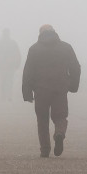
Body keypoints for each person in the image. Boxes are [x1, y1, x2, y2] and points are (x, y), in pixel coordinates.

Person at [22, 25, 81, 157]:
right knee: (60, 116)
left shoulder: (34, 49)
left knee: (42, 120)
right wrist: (72, 85)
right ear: (54, 32)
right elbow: (75, 67)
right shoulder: (66, 47)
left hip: (41, 89)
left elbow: (28, 72)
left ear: (40, 34)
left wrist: (27, 92)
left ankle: (45, 150)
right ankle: (59, 133)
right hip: (60, 88)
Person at [0, 28, 22, 101]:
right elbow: (18, 54)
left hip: (6, 66)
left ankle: (5, 96)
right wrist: (17, 64)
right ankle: (7, 96)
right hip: (6, 66)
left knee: (5, 81)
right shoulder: (11, 43)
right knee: (8, 81)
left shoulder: (1, 43)